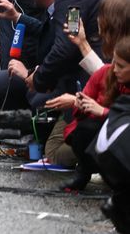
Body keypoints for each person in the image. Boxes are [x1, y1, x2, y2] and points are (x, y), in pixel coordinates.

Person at [52, 36, 130, 192]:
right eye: (114, 62)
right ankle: (83, 173)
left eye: (121, 66)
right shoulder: (104, 73)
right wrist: (81, 104)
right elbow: (81, 111)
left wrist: (103, 112)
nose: (115, 69)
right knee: (83, 130)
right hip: (98, 135)